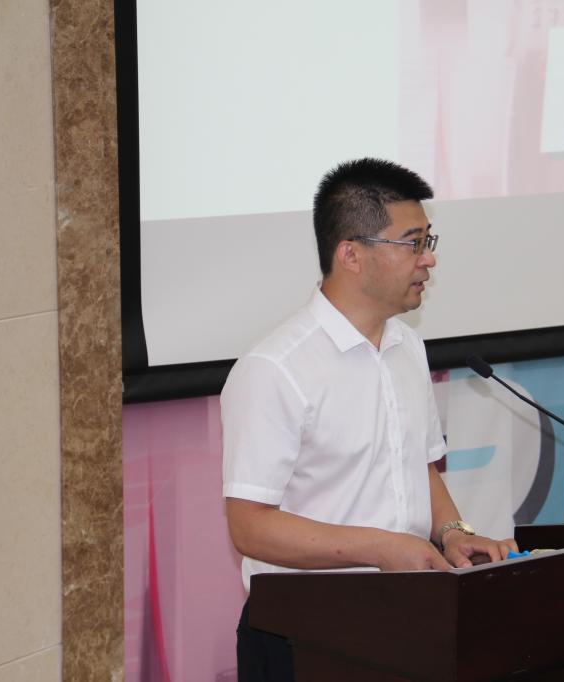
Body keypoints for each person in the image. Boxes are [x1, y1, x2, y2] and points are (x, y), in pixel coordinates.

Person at [220, 158, 517, 681]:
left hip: (403, 620)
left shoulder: (407, 347)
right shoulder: (275, 369)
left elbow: (419, 465)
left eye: (429, 241)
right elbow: (249, 526)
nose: (428, 259)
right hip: (304, 633)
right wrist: (382, 547)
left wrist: (452, 532)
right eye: (412, 243)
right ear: (351, 254)